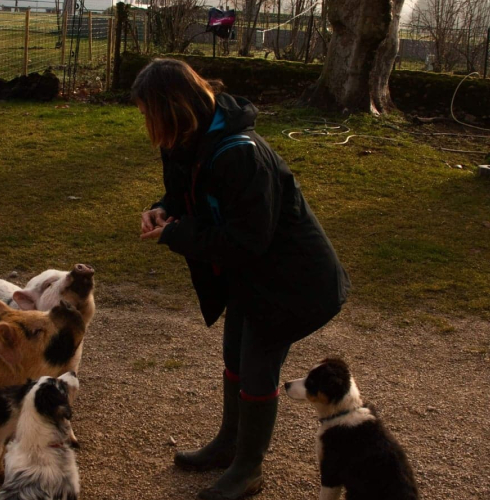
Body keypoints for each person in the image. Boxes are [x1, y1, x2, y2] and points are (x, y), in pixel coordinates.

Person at [133, 59, 351, 500]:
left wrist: (175, 234)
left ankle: (248, 469)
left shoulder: (240, 153)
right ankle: (229, 445)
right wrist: (164, 209)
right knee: (235, 354)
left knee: (256, 367)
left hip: (293, 281)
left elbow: (246, 240)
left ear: (173, 108)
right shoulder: (184, 139)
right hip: (251, 277)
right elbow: (187, 194)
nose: (146, 123)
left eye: (148, 112)